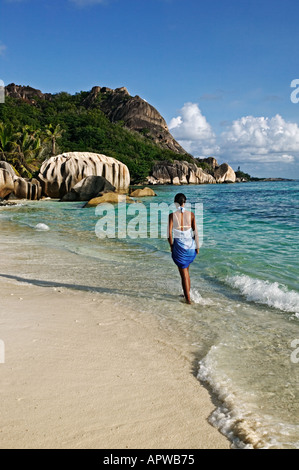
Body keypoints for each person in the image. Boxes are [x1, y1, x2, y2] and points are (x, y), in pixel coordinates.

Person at [168, 193, 199, 304]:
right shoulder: (191, 215)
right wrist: (197, 246)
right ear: (184, 202)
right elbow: (195, 232)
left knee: (184, 274)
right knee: (186, 271)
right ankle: (187, 293)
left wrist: (171, 246)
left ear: (175, 203)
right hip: (190, 248)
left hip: (180, 249)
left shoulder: (172, 215)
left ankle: (188, 300)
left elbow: (169, 234)